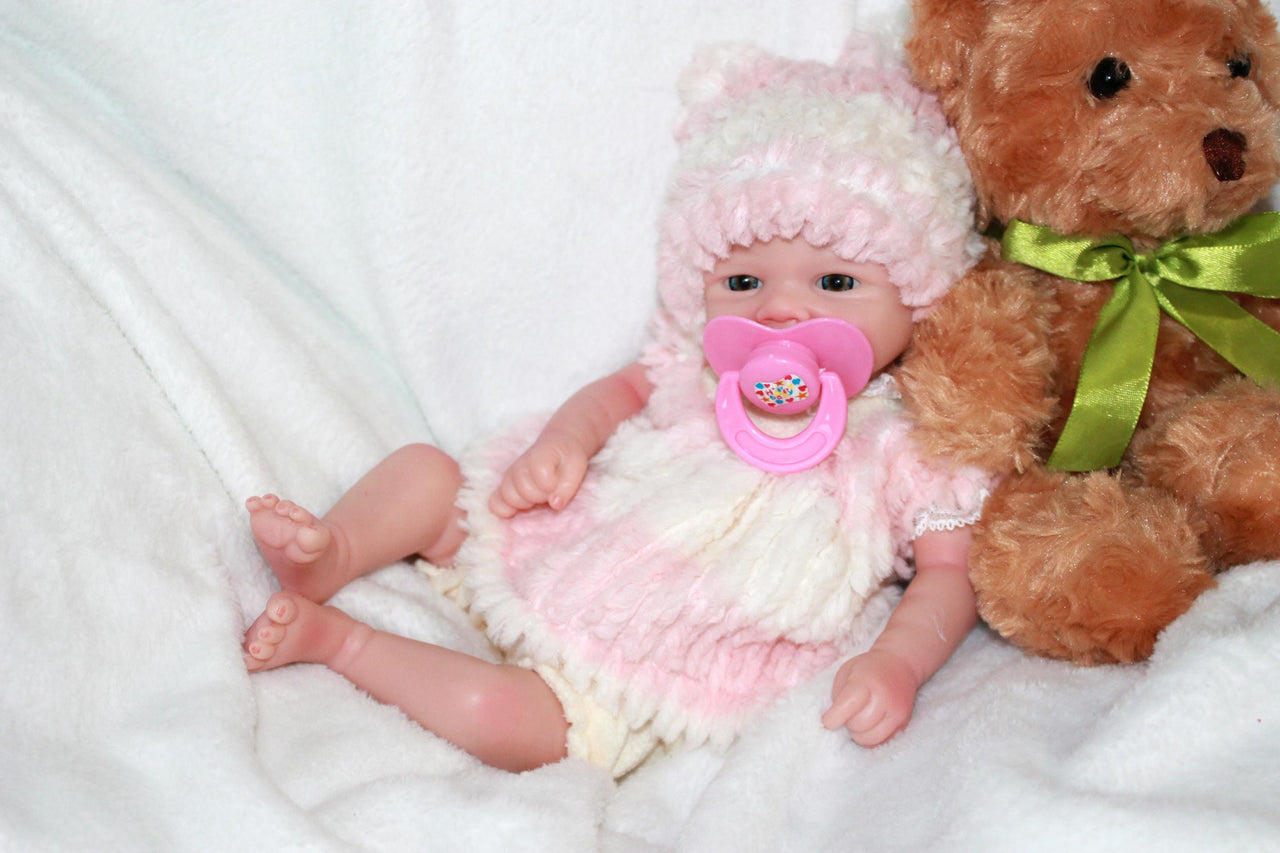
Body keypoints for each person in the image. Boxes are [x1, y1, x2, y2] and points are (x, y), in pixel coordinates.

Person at [242, 33, 989, 777]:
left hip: (663, 645)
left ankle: (342, 643)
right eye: (743, 282)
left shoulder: (906, 445)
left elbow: (946, 575)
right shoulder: (696, 366)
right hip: (563, 534)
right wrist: (565, 441)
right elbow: (624, 390)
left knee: (506, 717)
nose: (781, 311)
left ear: (920, 297)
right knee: (428, 475)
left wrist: (899, 661)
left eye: (834, 283)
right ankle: (332, 551)